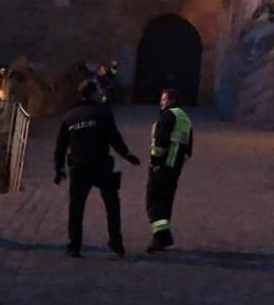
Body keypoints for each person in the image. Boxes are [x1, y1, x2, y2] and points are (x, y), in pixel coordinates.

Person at [54, 79, 139, 257]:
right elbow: (114, 138)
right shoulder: (103, 113)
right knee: (112, 204)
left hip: (78, 167)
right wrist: (127, 155)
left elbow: (61, 146)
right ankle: (116, 241)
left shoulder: (70, 117)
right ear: (93, 93)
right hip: (101, 165)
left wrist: (58, 169)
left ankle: (74, 245)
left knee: (76, 208)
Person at [145, 87, 195, 252]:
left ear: (171, 101)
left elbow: (160, 141)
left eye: (164, 99)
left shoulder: (168, 116)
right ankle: (161, 237)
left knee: (153, 201)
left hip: (163, 166)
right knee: (165, 201)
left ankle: (161, 238)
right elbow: (188, 149)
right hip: (174, 167)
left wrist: (155, 161)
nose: (161, 102)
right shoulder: (185, 119)